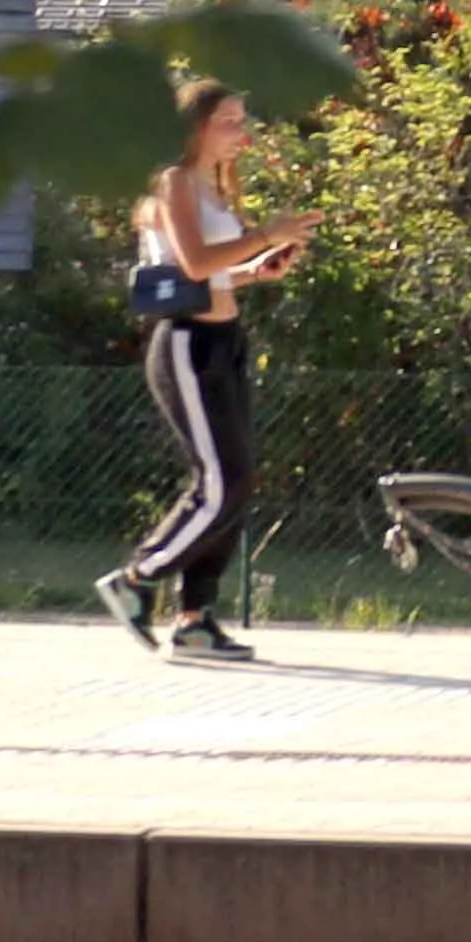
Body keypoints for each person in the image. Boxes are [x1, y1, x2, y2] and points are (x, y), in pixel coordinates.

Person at [105, 76, 312, 663]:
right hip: (186, 345)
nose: (240, 132)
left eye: (243, 120)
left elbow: (213, 272)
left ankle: (195, 620)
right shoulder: (174, 184)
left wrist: (258, 268)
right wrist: (264, 235)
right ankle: (139, 577)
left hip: (224, 338)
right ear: (195, 126)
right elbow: (194, 263)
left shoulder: (215, 189)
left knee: (235, 482)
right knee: (223, 482)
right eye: (229, 120)